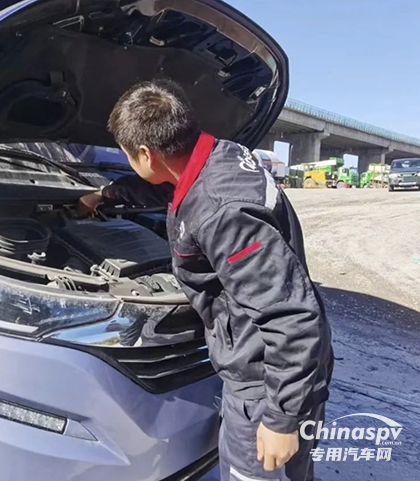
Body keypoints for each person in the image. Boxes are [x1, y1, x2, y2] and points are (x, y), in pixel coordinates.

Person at [78, 80, 333, 481]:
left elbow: (293, 317)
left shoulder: (222, 212)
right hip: (270, 371)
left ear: (145, 154)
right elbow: (172, 189)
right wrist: (108, 195)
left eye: (128, 156)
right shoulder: (222, 157)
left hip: (265, 384)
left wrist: (282, 418)